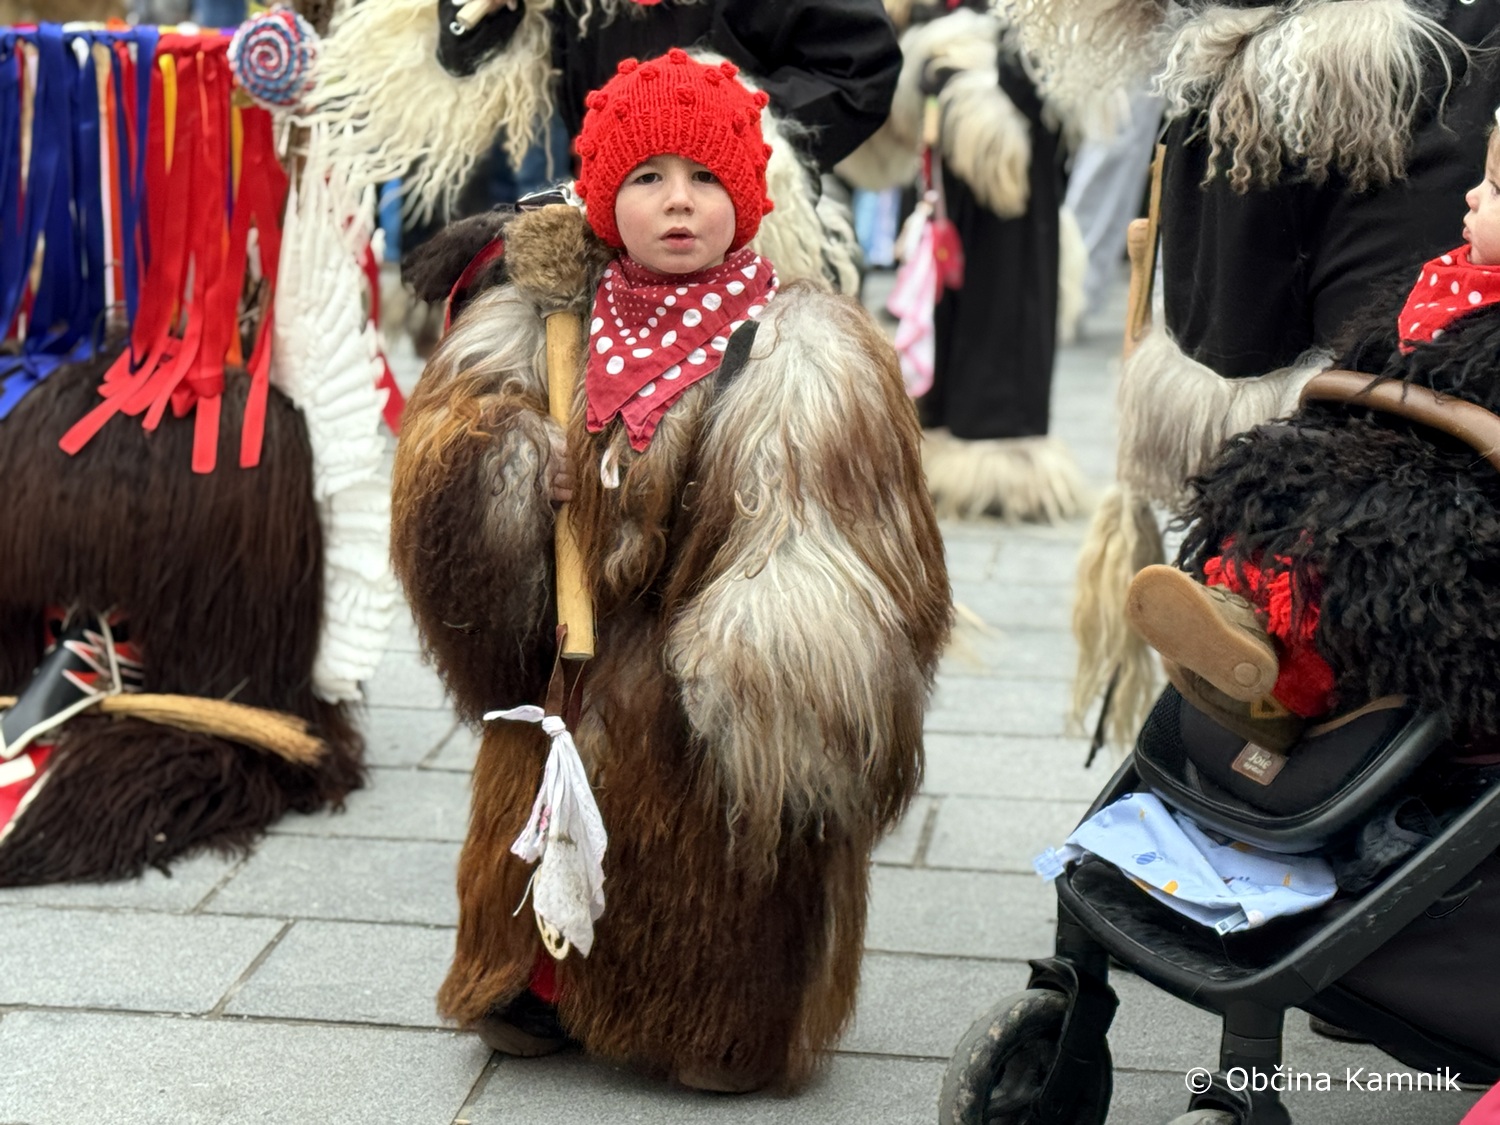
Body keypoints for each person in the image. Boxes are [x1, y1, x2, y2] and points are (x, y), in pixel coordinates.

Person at [390, 49, 950, 1093]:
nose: (678, 204)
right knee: (544, 770)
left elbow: (837, 547)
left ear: (746, 194)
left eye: (703, 179)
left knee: (700, 820)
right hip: (565, 645)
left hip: (706, 659)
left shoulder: (807, 348)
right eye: (647, 179)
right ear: (604, 199)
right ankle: (536, 982)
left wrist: (735, 651)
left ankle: (717, 1010)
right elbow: (442, 466)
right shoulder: (544, 320)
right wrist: (512, 470)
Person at [1123, 120, 1500, 754]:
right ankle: (1232, 619)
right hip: (1403, 451)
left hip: (1468, 490)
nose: (1469, 196)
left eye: (1492, 188)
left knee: (1366, 544)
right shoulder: (1451, 277)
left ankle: (1281, 690)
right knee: (1279, 481)